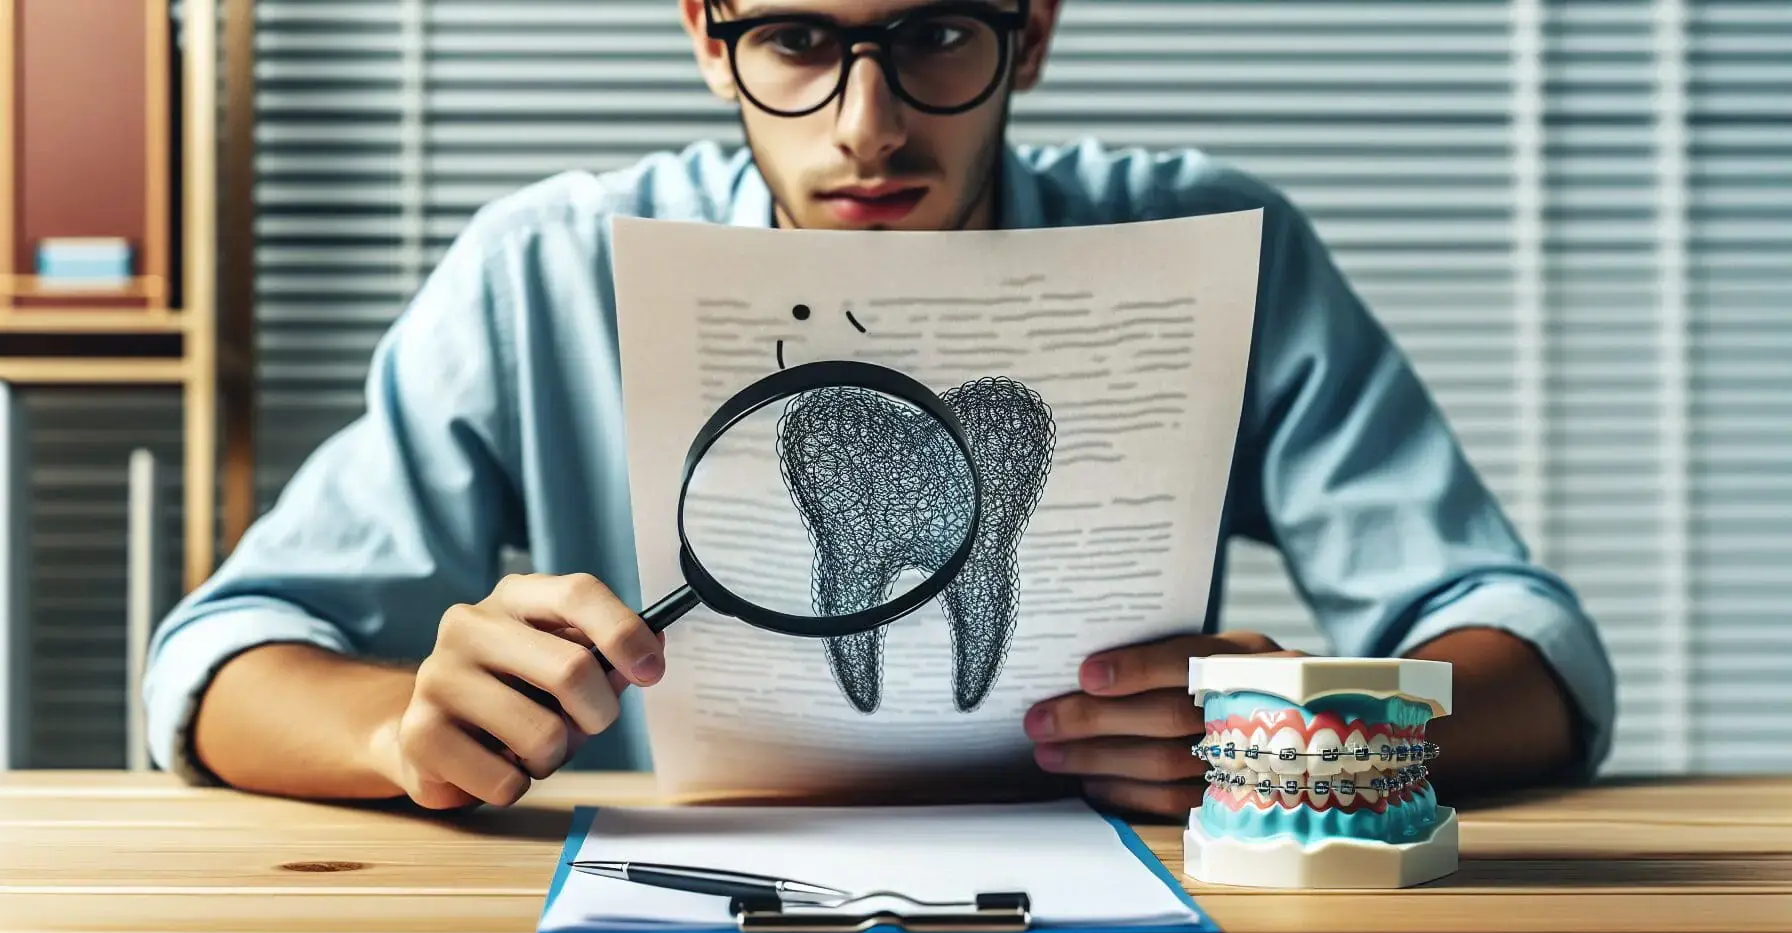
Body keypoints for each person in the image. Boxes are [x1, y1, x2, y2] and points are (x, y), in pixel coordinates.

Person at [142, 0, 1616, 820]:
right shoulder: (539, 266)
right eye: (796, 39)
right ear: (709, 37)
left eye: (934, 35)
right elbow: (216, 662)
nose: (869, 125)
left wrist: (1283, 734)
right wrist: (402, 731)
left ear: (1029, 33)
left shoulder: (1220, 244)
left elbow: (1535, 662)